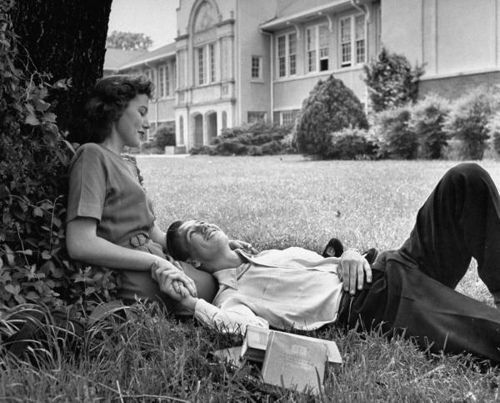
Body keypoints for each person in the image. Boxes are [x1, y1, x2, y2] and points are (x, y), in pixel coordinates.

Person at [156, 163, 500, 362]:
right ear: (194, 263)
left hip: (395, 264)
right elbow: (250, 332)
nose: (203, 225)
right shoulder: (232, 298)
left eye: (199, 220)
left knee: (465, 178)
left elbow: (327, 262)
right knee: (491, 332)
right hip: (379, 304)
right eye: (193, 233)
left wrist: (348, 254)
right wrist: (193, 304)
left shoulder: (270, 256)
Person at [65, 74, 252, 311]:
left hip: (158, 260)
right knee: (221, 289)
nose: (147, 123)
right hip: (130, 269)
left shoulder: (129, 164)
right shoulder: (92, 156)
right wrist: (153, 263)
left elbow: (153, 232)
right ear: (114, 110)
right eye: (141, 112)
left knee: (225, 278)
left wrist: (222, 246)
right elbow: (81, 243)